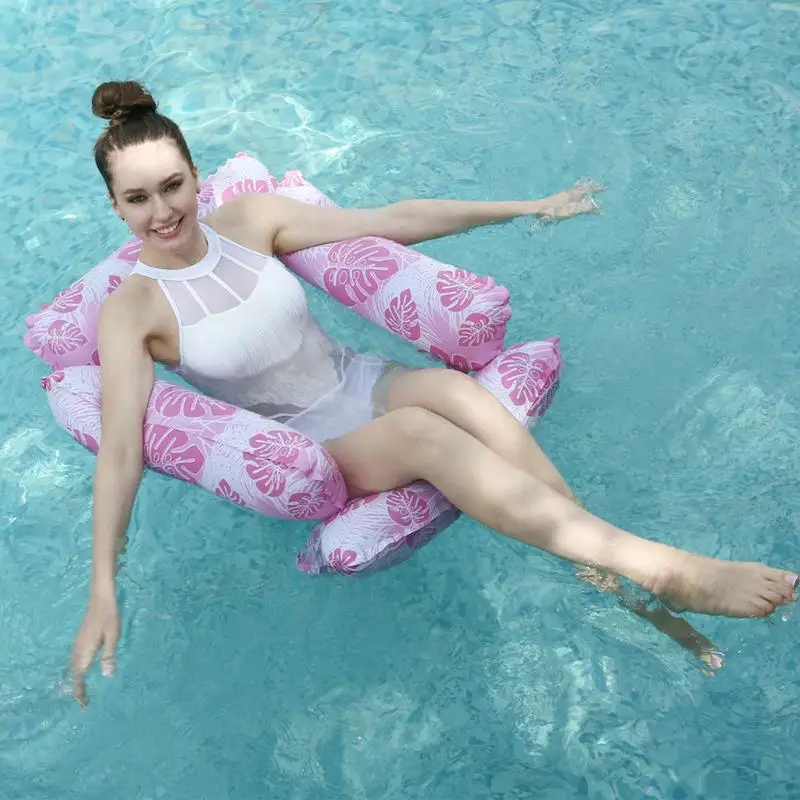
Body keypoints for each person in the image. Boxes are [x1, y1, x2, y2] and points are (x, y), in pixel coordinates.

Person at [70, 80, 797, 706]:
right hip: (321, 443)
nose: (162, 211)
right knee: (427, 434)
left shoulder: (250, 221)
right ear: (115, 208)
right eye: (137, 199)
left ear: (196, 175)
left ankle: (632, 592)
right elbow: (122, 451)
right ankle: (669, 572)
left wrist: (526, 205)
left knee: (452, 391)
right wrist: (105, 583)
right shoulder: (132, 312)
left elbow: (394, 219)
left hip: (367, 383)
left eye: (172, 186)